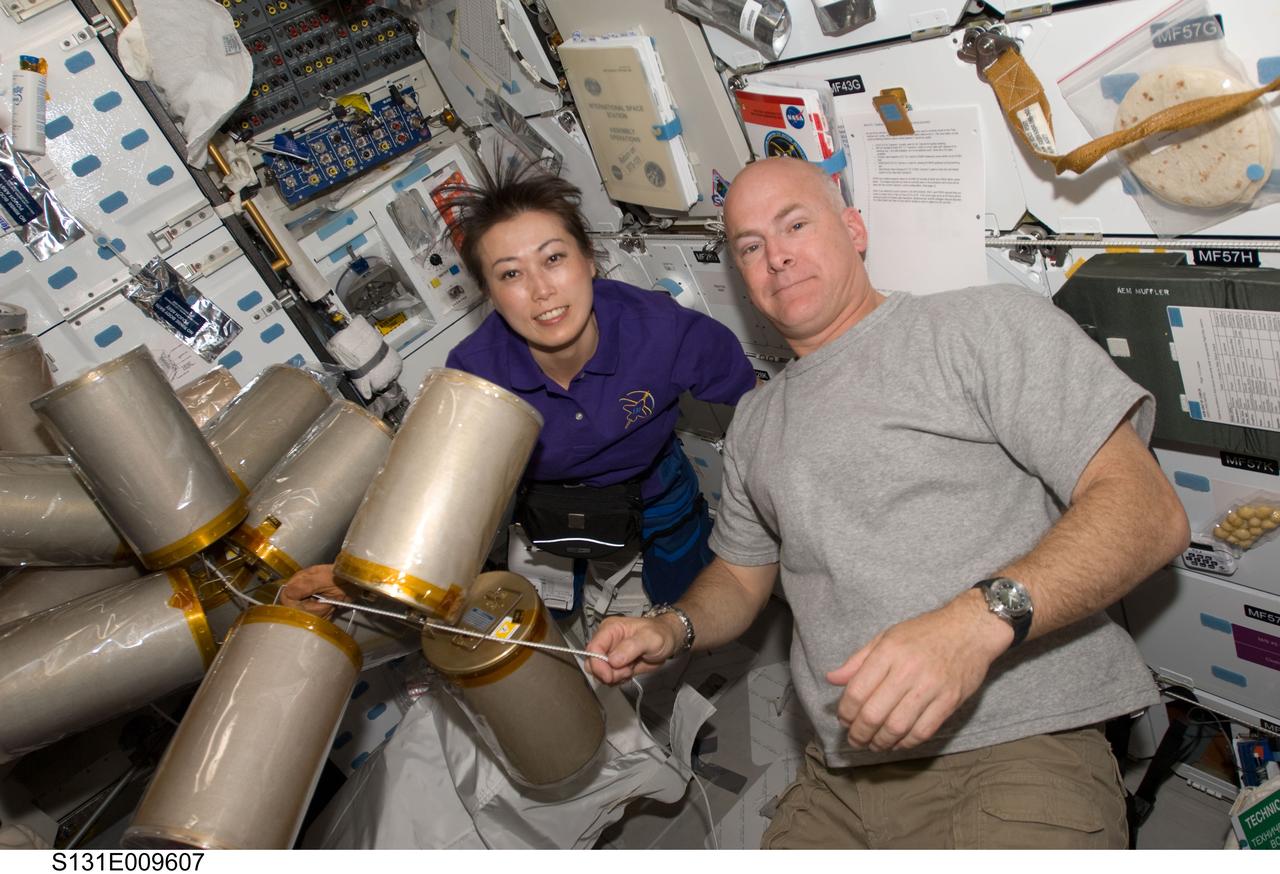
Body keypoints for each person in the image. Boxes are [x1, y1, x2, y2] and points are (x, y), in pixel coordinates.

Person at [585, 157, 1191, 849]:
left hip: (1011, 747)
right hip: (837, 782)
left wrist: (974, 623)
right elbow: (739, 575)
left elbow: (1148, 511)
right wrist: (672, 629)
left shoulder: (976, 326)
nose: (776, 256)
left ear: (854, 228)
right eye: (750, 246)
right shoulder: (755, 421)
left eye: (795, 224)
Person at [282, 161, 756, 617]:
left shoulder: (662, 331)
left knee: (683, 585)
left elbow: (759, 404)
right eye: (511, 273)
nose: (541, 289)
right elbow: (438, 494)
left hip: (655, 485)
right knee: (546, 603)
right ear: (488, 292)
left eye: (553, 258)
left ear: (589, 259)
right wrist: (357, 577)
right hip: (547, 501)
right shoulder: (475, 375)